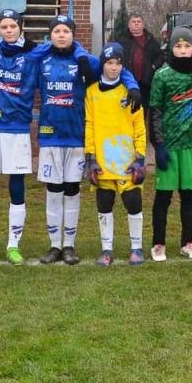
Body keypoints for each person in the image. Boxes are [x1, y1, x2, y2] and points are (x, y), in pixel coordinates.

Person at [35, 14, 137, 266]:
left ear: (73, 34)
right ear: (51, 34)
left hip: (76, 137)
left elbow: (113, 67)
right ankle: (54, 245)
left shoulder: (85, 60)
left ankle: (69, 246)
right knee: (53, 191)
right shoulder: (40, 59)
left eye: (66, 31)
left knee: (72, 190)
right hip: (49, 137)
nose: (61, 35)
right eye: (56, 30)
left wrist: (132, 84)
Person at [0, 9, 53, 266]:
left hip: (17, 130)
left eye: (12, 26)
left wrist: (29, 44)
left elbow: (66, 45)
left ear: (20, 27)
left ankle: (13, 246)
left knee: (17, 186)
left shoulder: (32, 54)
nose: (8, 30)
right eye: (4, 27)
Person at [85, 43, 148, 266]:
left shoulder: (131, 92)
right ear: (102, 64)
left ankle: (137, 248)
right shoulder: (91, 92)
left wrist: (140, 157)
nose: (114, 68)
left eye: (118, 64)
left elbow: (139, 125)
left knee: (132, 201)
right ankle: (107, 249)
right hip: (102, 159)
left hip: (126, 158)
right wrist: (90, 157)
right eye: (109, 63)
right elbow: (89, 125)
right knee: (104, 202)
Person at [148, 26, 192, 260]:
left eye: (187, 46)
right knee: (163, 196)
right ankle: (159, 243)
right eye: (178, 46)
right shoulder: (162, 75)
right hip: (169, 146)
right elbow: (154, 112)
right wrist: (159, 145)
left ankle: (188, 242)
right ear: (171, 48)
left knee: (189, 196)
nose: (183, 50)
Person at [115, 11, 160, 102]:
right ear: (129, 24)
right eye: (133, 21)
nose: (136, 24)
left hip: (146, 82)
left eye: (138, 22)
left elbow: (160, 56)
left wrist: (153, 66)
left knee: (144, 107)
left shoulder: (150, 39)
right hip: (127, 80)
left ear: (143, 24)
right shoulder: (122, 39)